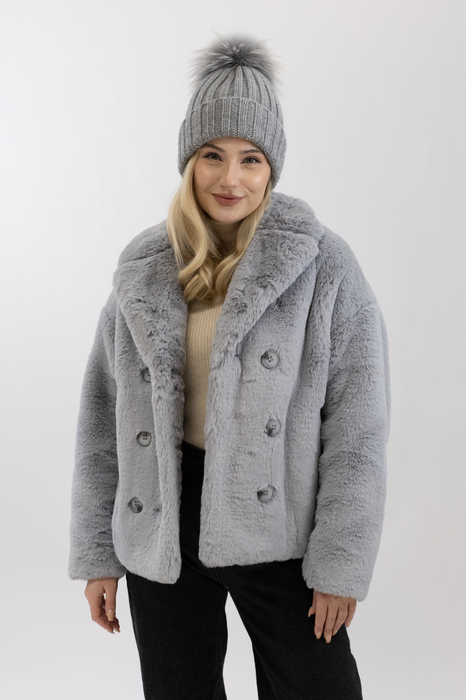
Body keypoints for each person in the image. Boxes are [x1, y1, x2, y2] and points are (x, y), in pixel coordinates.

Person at [68, 33, 391, 700]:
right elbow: (102, 420)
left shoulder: (324, 266)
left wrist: (339, 563)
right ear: (189, 162)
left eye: (251, 158)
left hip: (280, 529)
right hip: (163, 521)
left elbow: (358, 429)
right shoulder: (143, 271)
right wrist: (99, 554)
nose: (230, 179)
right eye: (212, 155)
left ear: (272, 168)